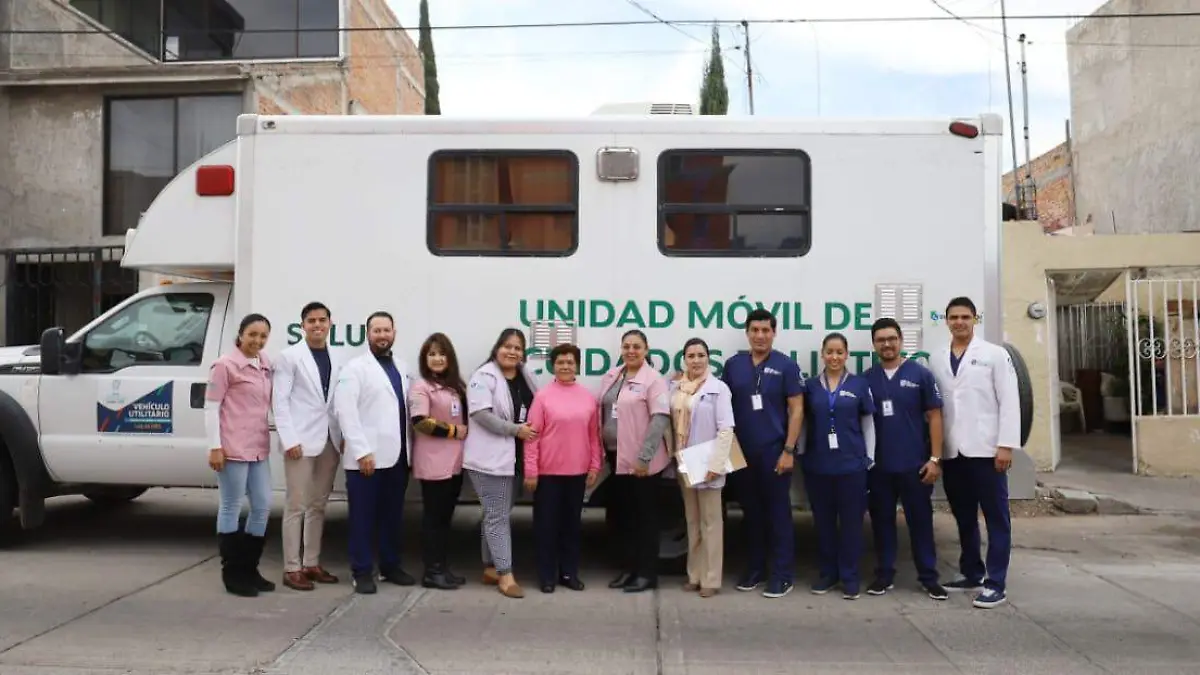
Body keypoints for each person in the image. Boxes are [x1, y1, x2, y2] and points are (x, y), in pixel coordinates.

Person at [929, 296, 1020, 609]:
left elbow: (1010, 401)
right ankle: (971, 572)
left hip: (987, 450)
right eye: (954, 317)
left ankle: (996, 584)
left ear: (975, 319)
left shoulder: (994, 355)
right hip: (953, 452)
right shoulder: (937, 358)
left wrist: (1005, 445)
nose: (959, 322)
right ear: (946, 321)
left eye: (965, 317)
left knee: (996, 518)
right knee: (964, 517)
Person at [722, 308, 805, 599]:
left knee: (778, 515)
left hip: (774, 451)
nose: (760, 336)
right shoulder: (734, 365)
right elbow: (721, 403)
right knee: (751, 514)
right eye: (755, 330)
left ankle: (782, 575)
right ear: (747, 333)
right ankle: (755, 569)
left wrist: (789, 450)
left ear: (774, 333)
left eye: (765, 330)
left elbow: (797, 409)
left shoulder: (786, 366)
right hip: (741, 453)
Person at [331, 311, 415, 594]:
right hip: (367, 458)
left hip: (398, 457)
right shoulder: (354, 368)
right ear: (367, 334)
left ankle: (390, 566)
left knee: (392, 516)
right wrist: (361, 451)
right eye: (376, 330)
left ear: (394, 333)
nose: (382, 335)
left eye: (386, 330)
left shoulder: (402, 367)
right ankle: (362, 570)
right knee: (363, 518)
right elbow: (345, 411)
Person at [863, 318, 948, 601]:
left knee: (920, 523)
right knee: (882, 523)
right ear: (874, 345)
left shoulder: (920, 375)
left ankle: (929, 578)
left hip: (915, 466)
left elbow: (935, 416)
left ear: (900, 341)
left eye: (891, 339)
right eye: (881, 340)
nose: (887, 344)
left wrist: (935, 458)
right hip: (879, 468)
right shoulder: (867, 379)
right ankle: (884, 575)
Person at [463, 328, 539, 599]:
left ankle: (490, 568)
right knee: (498, 517)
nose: (512, 352)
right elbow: (480, 414)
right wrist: (515, 430)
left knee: (495, 514)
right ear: (497, 348)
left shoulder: (526, 376)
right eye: (507, 346)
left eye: (518, 348)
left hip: (515, 457)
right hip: (489, 459)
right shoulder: (483, 377)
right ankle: (505, 575)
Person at [272, 301, 342, 591]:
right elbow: (280, 402)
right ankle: (292, 568)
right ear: (302, 326)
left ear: (329, 324)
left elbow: (336, 401)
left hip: (330, 440)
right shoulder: (289, 357)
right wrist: (289, 439)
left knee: (318, 505)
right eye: (311, 321)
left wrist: (343, 435)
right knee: (296, 505)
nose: (317, 325)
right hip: (299, 441)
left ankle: (311, 563)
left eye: (322, 320)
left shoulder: (337, 356)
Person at [206, 313, 276, 598]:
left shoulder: (265, 364)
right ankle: (233, 573)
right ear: (241, 334)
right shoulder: (224, 366)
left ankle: (250, 569)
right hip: (232, 448)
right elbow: (211, 407)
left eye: (263, 336)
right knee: (231, 506)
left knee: (262, 505)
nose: (257, 341)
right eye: (252, 335)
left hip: (258, 446)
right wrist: (215, 446)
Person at [522, 343, 602, 594]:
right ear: (553, 366)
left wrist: (594, 465)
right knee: (546, 528)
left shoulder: (588, 397)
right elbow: (532, 437)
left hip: (577, 474)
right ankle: (546, 576)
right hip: (547, 476)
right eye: (560, 362)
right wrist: (531, 471)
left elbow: (593, 436)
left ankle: (569, 573)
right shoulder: (543, 397)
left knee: (571, 527)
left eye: (570, 362)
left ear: (577, 365)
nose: (565, 366)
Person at [801, 332, 876, 600]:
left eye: (839, 352)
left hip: (851, 466)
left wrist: (869, 457)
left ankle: (850, 576)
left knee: (852, 524)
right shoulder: (810, 386)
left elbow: (868, 422)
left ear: (847, 355)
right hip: (818, 465)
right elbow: (804, 422)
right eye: (830, 352)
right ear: (822, 354)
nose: (834, 357)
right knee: (823, 523)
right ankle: (828, 573)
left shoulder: (859, 384)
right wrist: (801, 453)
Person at [600, 329, 672, 594]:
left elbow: (660, 419)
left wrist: (644, 457)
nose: (631, 351)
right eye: (627, 346)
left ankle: (646, 574)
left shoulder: (653, 380)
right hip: (616, 458)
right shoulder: (614, 375)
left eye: (637, 347)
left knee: (645, 519)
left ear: (646, 350)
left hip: (642, 463)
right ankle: (629, 570)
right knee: (625, 518)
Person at [669, 338, 742, 598]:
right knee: (692, 522)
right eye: (691, 356)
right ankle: (694, 575)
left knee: (711, 523)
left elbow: (726, 429)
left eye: (701, 355)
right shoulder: (677, 388)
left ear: (708, 358)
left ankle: (711, 579)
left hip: (709, 461)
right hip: (685, 461)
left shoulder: (718, 388)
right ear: (684, 360)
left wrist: (716, 464)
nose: (696, 360)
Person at [409, 332, 470, 591]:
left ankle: (443, 568)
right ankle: (432, 571)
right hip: (433, 464)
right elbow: (420, 421)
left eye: (441, 353)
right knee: (434, 520)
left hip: (454, 464)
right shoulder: (421, 387)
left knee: (445, 519)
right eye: (431, 354)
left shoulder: (455, 386)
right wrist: (454, 431)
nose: (437, 358)